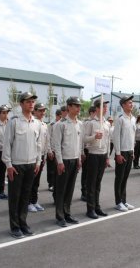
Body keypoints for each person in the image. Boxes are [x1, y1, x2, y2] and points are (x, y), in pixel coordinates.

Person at [2, 92, 43, 239]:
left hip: (31, 164)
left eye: (33, 101)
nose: (31, 104)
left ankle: (23, 222)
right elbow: (7, 144)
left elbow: (39, 145)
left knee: (25, 196)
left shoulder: (37, 123)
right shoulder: (14, 122)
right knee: (15, 197)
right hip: (17, 165)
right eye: (28, 101)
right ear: (21, 104)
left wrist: (38, 162)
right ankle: (15, 226)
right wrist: (8, 165)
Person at [53, 97, 84, 226]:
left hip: (74, 160)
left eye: (79, 106)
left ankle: (67, 213)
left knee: (70, 189)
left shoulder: (79, 124)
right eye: (76, 106)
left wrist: (79, 158)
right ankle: (60, 216)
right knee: (61, 189)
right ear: (69, 107)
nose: (78, 108)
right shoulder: (60, 124)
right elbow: (57, 146)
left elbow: (79, 143)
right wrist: (59, 162)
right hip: (64, 161)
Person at [83, 99, 110, 219]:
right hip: (93, 154)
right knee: (91, 183)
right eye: (104, 107)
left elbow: (108, 141)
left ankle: (97, 206)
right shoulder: (91, 123)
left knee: (98, 183)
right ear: (98, 109)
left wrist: (108, 157)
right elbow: (84, 139)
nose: (106, 109)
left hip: (103, 155)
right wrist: (94, 137)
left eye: (106, 107)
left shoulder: (107, 123)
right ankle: (90, 209)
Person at [113, 95, 136, 212]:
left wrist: (133, 151)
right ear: (123, 105)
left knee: (125, 178)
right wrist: (118, 153)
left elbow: (132, 137)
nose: (131, 104)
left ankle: (124, 200)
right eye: (129, 103)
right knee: (119, 178)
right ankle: (118, 202)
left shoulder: (133, 119)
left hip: (130, 152)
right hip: (122, 152)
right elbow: (116, 137)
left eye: (132, 102)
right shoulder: (120, 119)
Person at [28, 103, 48, 213]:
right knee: (30, 181)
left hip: (41, 156)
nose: (42, 113)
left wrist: (46, 153)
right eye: (40, 110)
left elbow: (46, 141)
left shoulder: (44, 125)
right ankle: (28, 202)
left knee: (36, 181)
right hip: (33, 156)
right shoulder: (33, 123)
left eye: (43, 111)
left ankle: (34, 201)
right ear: (34, 111)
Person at [81, 106, 96, 201]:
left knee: (91, 173)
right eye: (95, 112)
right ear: (91, 112)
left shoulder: (98, 122)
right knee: (86, 172)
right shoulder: (87, 122)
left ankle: (90, 192)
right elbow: (83, 139)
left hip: (94, 151)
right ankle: (84, 192)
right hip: (87, 150)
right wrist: (82, 152)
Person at [46, 108, 62, 193]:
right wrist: (49, 150)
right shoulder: (51, 125)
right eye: (60, 116)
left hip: (59, 150)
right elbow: (48, 138)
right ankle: (51, 184)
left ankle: (55, 183)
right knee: (51, 169)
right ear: (57, 116)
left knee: (57, 169)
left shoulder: (62, 124)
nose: (61, 118)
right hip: (52, 150)